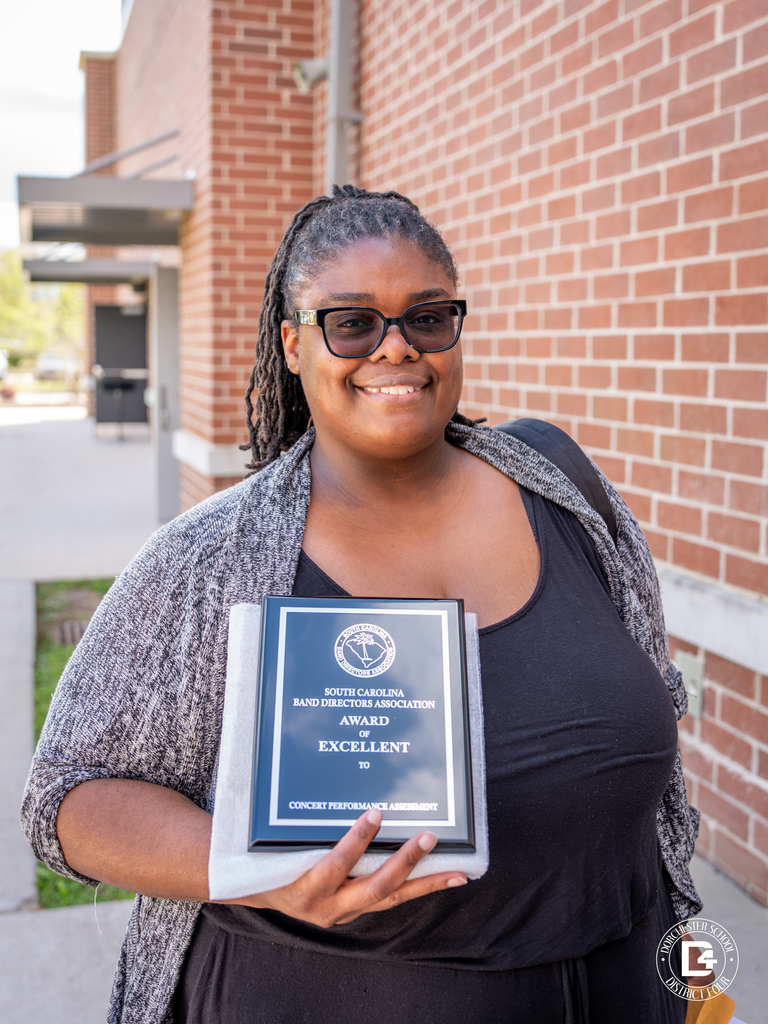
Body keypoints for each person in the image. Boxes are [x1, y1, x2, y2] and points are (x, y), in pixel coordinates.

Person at [22, 185, 701, 1024]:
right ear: (294, 346)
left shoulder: (559, 485)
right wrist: (247, 867)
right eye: (351, 322)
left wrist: (697, 977)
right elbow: (67, 796)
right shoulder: (210, 559)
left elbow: (653, 723)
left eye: (426, 318)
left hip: (628, 981)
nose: (395, 349)